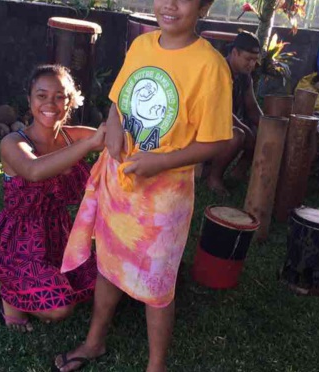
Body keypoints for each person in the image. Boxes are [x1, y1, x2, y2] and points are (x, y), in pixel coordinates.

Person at [52, 0, 233, 369]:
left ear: (204, 6)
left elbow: (216, 141)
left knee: (158, 286)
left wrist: (160, 161)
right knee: (109, 265)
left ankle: (156, 366)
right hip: (120, 187)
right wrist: (115, 126)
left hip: (165, 199)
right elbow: (118, 102)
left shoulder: (210, 66)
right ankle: (94, 341)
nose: (169, 5)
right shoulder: (142, 46)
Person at [0, 64, 105, 332]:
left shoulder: (71, 136)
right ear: (29, 100)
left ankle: (28, 287)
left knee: (107, 280)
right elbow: (34, 171)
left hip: (58, 233)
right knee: (59, 309)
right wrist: (88, 145)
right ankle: (9, 297)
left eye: (59, 96)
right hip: (19, 239)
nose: (50, 103)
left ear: (70, 101)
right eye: (41, 95)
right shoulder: (14, 143)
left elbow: (113, 138)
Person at [205, 30, 263, 196]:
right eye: (248, 59)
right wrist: (246, 130)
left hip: (228, 122)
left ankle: (238, 173)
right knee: (237, 135)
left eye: (255, 60)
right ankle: (213, 178)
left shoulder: (245, 78)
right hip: (204, 126)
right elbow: (218, 111)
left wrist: (269, 126)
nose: (252, 64)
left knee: (262, 132)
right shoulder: (218, 71)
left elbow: (252, 108)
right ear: (235, 52)